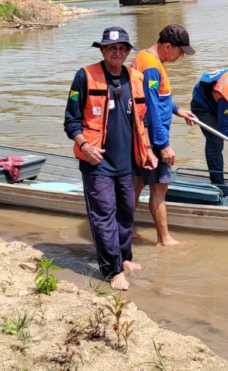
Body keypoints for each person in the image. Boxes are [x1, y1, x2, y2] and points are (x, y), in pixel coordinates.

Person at [64, 26, 158, 291]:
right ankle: (113, 271)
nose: (117, 52)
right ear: (103, 50)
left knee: (126, 213)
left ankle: (125, 257)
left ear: (128, 52)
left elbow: (143, 119)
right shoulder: (84, 76)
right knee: (104, 215)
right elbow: (70, 121)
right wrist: (85, 146)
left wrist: (149, 150)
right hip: (97, 162)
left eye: (122, 48)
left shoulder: (136, 78)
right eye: (111, 48)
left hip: (127, 162)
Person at [130, 24, 198, 247]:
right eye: (180, 51)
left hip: (139, 135)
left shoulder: (144, 56)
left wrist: (177, 109)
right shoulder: (151, 66)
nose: (181, 57)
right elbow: (150, 106)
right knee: (159, 187)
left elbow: (158, 98)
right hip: (152, 137)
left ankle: (126, 232)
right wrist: (163, 144)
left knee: (137, 184)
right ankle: (164, 239)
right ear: (168, 46)